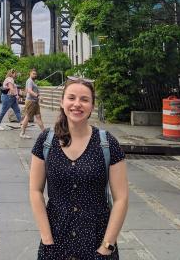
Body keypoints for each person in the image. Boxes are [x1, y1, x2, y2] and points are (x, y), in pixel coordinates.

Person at [30, 77, 128, 260]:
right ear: (62, 102)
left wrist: (107, 246)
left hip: (97, 242)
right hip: (55, 242)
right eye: (71, 98)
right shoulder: (46, 141)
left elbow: (121, 198)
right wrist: (47, 239)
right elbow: (35, 190)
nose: (77, 104)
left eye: (84, 99)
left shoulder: (107, 143)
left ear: (92, 105)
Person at [20, 69, 45, 139]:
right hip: (31, 101)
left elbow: (30, 90)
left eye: (35, 74)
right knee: (27, 117)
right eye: (33, 73)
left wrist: (39, 96)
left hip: (35, 102)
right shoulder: (30, 81)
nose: (35, 75)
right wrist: (38, 96)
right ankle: (22, 133)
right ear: (30, 73)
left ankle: (44, 132)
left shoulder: (33, 81)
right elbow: (29, 90)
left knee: (38, 117)